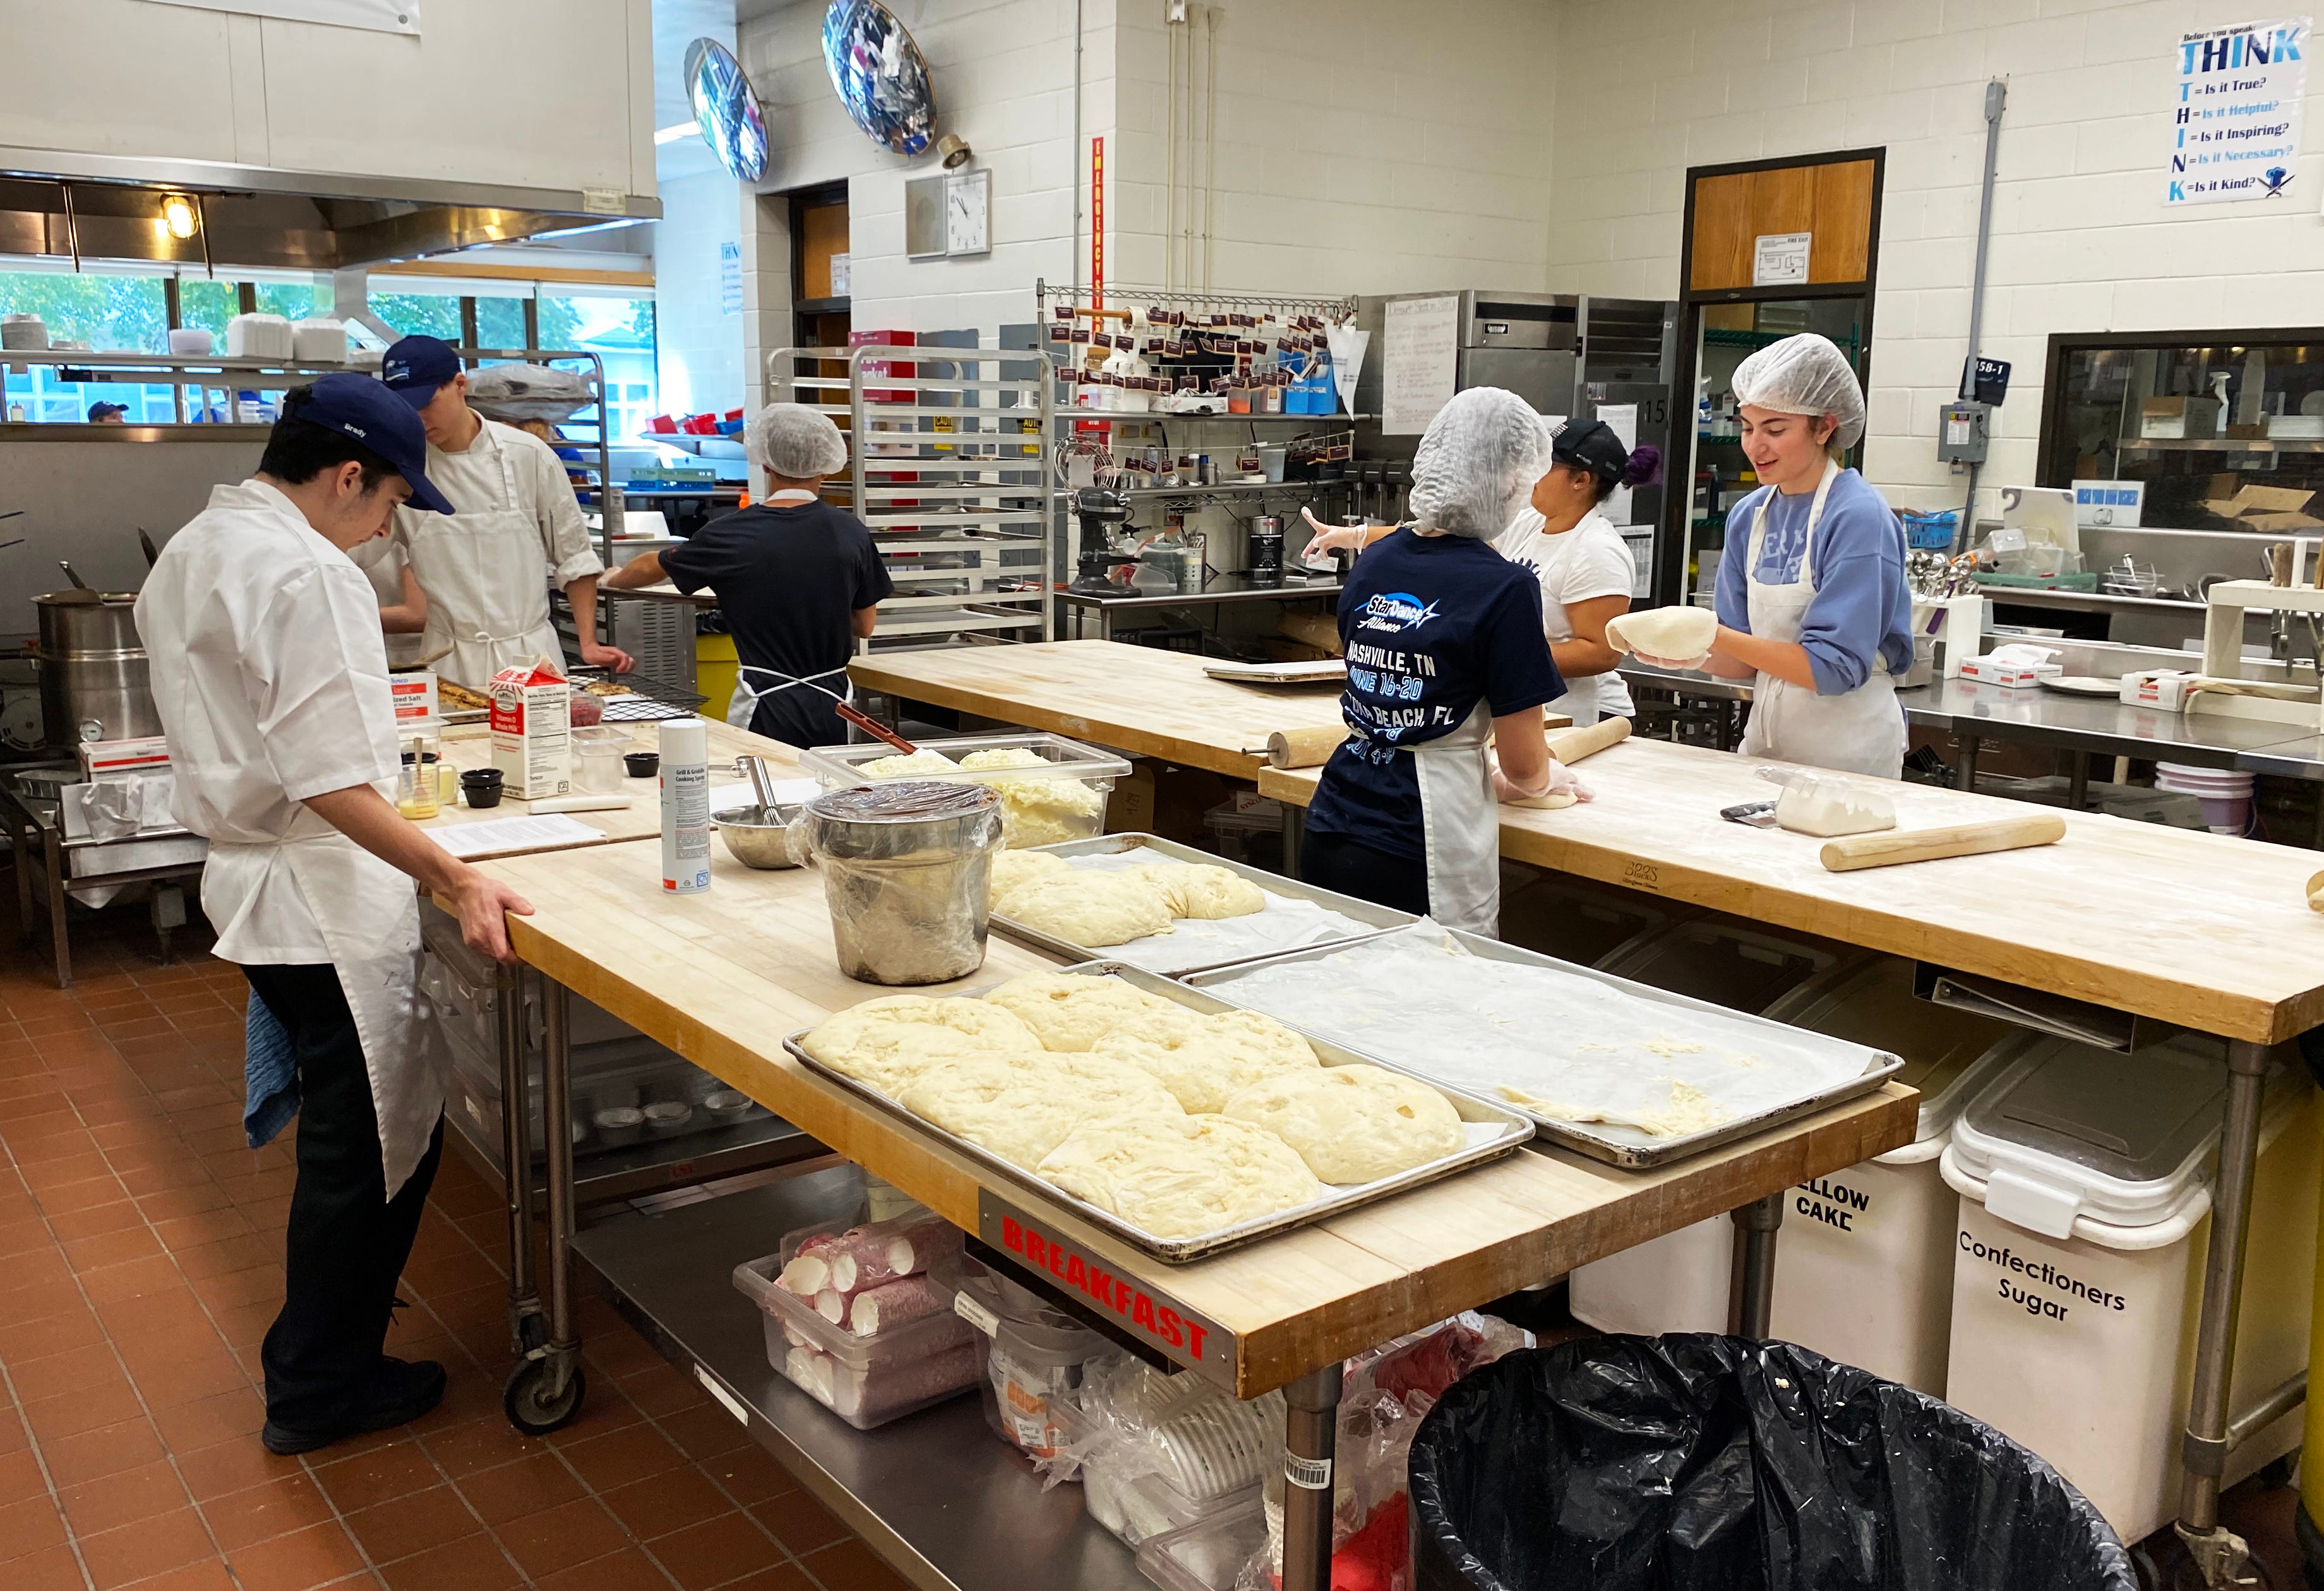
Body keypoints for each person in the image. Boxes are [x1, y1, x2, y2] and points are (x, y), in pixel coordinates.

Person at [135, 375, 536, 1455]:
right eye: (392, 501)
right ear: (349, 473)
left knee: (352, 1140)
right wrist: (455, 876)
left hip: (257, 883)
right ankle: (318, 1386)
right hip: (318, 894)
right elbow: (324, 775)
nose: (387, 527)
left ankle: (325, 1360)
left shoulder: (196, 547)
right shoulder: (310, 573)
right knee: (366, 1152)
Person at [1300, 388, 1584, 935]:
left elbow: (1389, 685)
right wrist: (1538, 778)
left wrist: (1492, 778)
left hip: (1336, 815)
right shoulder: (1506, 588)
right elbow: (1527, 767)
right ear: (1509, 483)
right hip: (1422, 835)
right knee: (1433, 1004)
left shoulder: (1376, 558)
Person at [1677, 333, 1912, 778]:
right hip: (1765, 748)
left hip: (1849, 761)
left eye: (1775, 430)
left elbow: (1833, 667)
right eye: (1748, 427)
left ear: (1825, 427)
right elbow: (1740, 661)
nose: (1755, 446)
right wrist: (1679, 648)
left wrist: (1710, 634)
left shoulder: (1858, 517)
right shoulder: (1750, 516)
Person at [602, 404, 891, 748]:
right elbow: (864, 626)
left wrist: (610, 579)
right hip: (834, 704)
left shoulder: (731, 533)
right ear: (826, 466)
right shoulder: (851, 532)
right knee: (829, 794)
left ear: (765, 463)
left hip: (765, 702)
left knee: (759, 790)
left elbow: (652, 565)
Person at [377, 335, 633, 684]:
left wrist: (588, 642)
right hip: (448, 659)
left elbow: (574, 556)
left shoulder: (528, 454)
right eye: (406, 408)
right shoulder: (403, 468)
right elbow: (361, 547)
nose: (419, 418)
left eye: (427, 403)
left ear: (460, 384)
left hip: (529, 655)